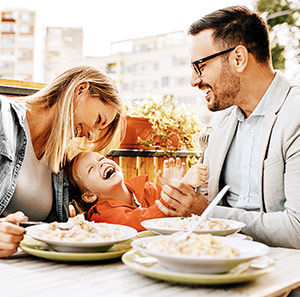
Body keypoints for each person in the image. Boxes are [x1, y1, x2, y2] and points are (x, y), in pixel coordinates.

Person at [157, 5, 300, 249]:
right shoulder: (221, 122)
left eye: (200, 66)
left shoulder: (294, 115)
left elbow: (297, 229)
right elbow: (205, 198)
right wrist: (183, 193)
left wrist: (209, 215)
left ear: (238, 58)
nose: (193, 81)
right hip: (218, 257)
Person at [0, 65, 123, 257]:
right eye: (98, 120)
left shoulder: (58, 163)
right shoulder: (2, 117)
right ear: (80, 90)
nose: (90, 136)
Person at [67, 151, 208, 231]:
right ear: (90, 196)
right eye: (91, 169)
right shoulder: (103, 215)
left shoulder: (149, 189)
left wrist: (173, 188)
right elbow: (144, 220)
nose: (102, 163)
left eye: (102, 158)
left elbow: (183, 212)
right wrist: (181, 186)